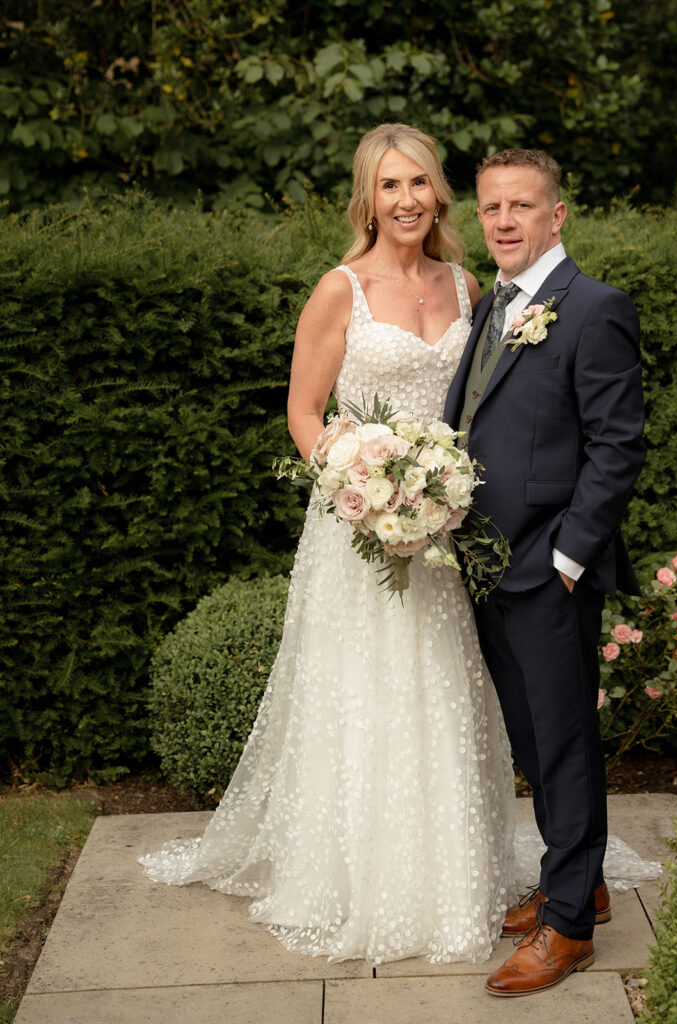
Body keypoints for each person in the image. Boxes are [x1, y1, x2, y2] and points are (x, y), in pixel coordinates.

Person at [140, 124, 517, 965]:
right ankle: (351, 876)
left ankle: (452, 869)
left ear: (438, 192)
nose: (407, 200)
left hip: (443, 523)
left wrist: (432, 494)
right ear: (366, 199)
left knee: (441, 686)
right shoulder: (338, 289)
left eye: (418, 182)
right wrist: (365, 485)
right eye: (389, 186)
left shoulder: (467, 287)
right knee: (364, 691)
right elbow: (304, 413)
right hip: (358, 524)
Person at [443, 148, 646, 996]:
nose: (502, 220)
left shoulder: (592, 308)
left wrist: (568, 559)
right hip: (488, 566)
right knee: (532, 738)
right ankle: (582, 883)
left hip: (547, 570)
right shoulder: (493, 306)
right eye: (491, 207)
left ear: (556, 215)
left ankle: (567, 931)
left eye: (520, 206)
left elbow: (617, 443)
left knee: (562, 744)